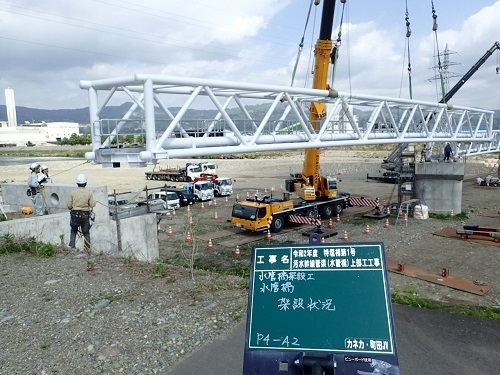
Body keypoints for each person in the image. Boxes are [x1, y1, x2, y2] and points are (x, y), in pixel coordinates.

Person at [67, 174, 96, 251]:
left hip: (75, 215)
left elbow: (69, 205)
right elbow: (92, 204)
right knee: (86, 233)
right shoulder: (89, 193)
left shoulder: (72, 193)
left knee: (73, 231)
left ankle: (72, 247)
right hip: (85, 216)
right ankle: (87, 249)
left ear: (77, 183)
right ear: (85, 183)